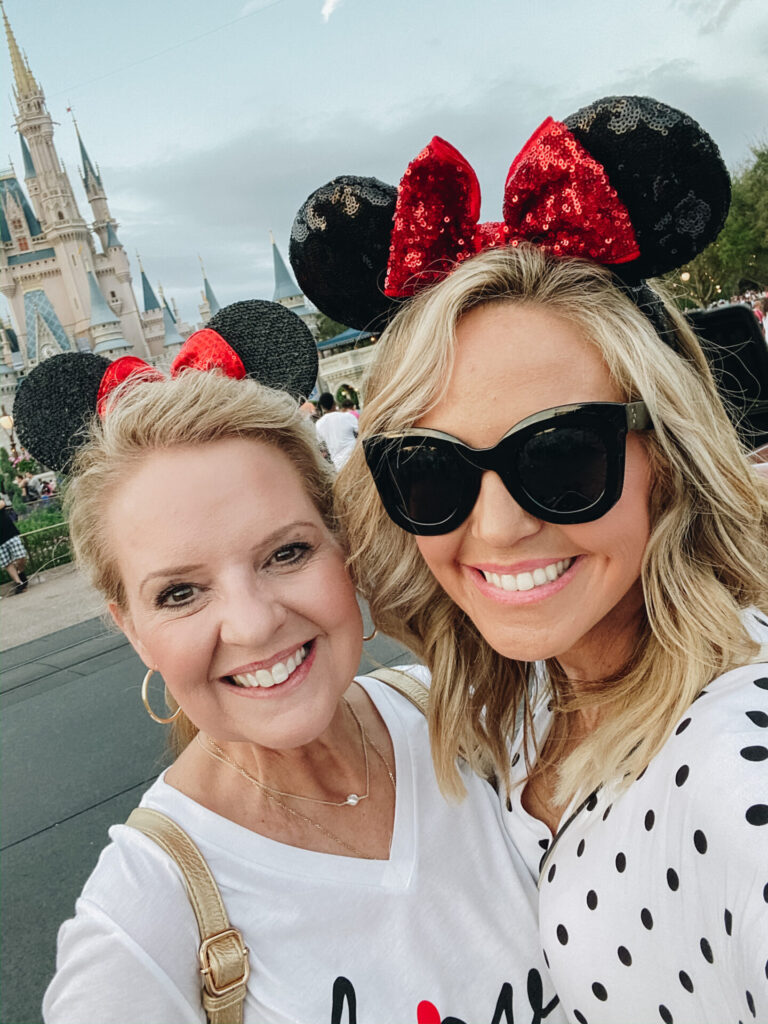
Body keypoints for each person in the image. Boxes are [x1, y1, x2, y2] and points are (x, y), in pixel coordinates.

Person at [293, 96, 768, 1023]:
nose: (499, 528)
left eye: (559, 457)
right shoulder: (519, 699)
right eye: (432, 475)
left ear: (662, 458)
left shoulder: (740, 767)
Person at [16, 303, 562, 1024]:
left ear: (345, 548)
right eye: (180, 592)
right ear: (135, 632)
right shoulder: (144, 921)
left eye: (287, 553)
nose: (252, 622)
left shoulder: (475, 715)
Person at [315, 391, 358, 470]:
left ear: (323, 407)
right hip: (356, 456)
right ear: (334, 403)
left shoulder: (319, 424)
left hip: (339, 464)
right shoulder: (348, 417)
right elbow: (360, 431)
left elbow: (320, 444)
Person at [0, 492, 28, 594]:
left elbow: (2, 503)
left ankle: (20, 572)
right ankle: (19, 582)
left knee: (21, 556)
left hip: (10, 533)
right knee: (7, 563)